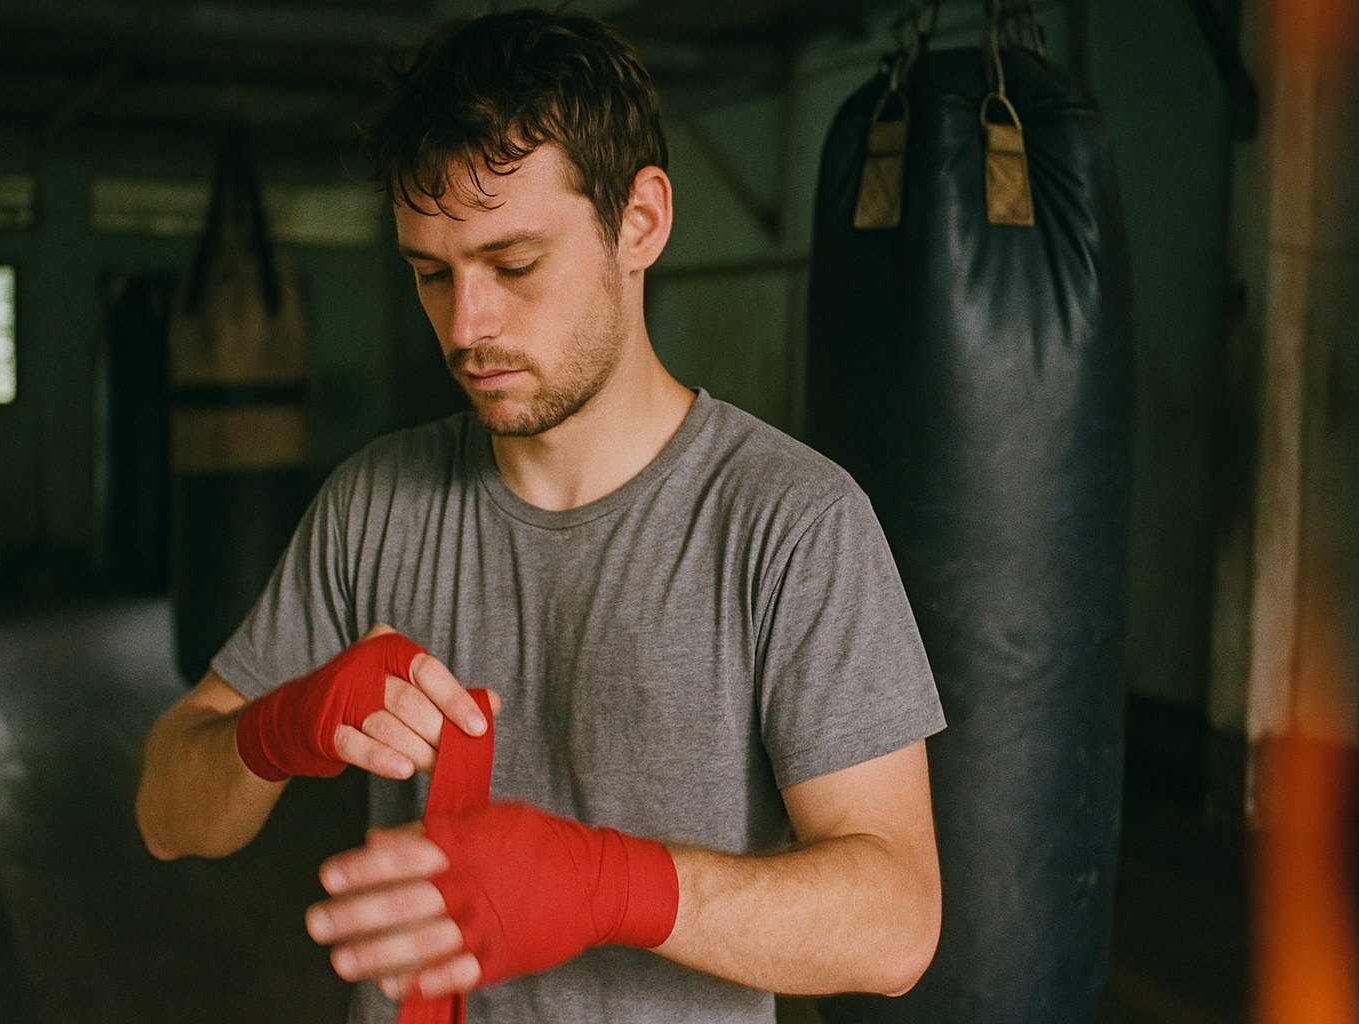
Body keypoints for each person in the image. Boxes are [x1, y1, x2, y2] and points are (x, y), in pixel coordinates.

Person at [135, 9, 946, 1023]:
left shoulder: (790, 524)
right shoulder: (374, 503)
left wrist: (609, 886)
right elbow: (167, 811)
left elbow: (898, 921)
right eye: (432, 273)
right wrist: (276, 725)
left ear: (640, 222)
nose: (467, 325)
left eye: (514, 265)